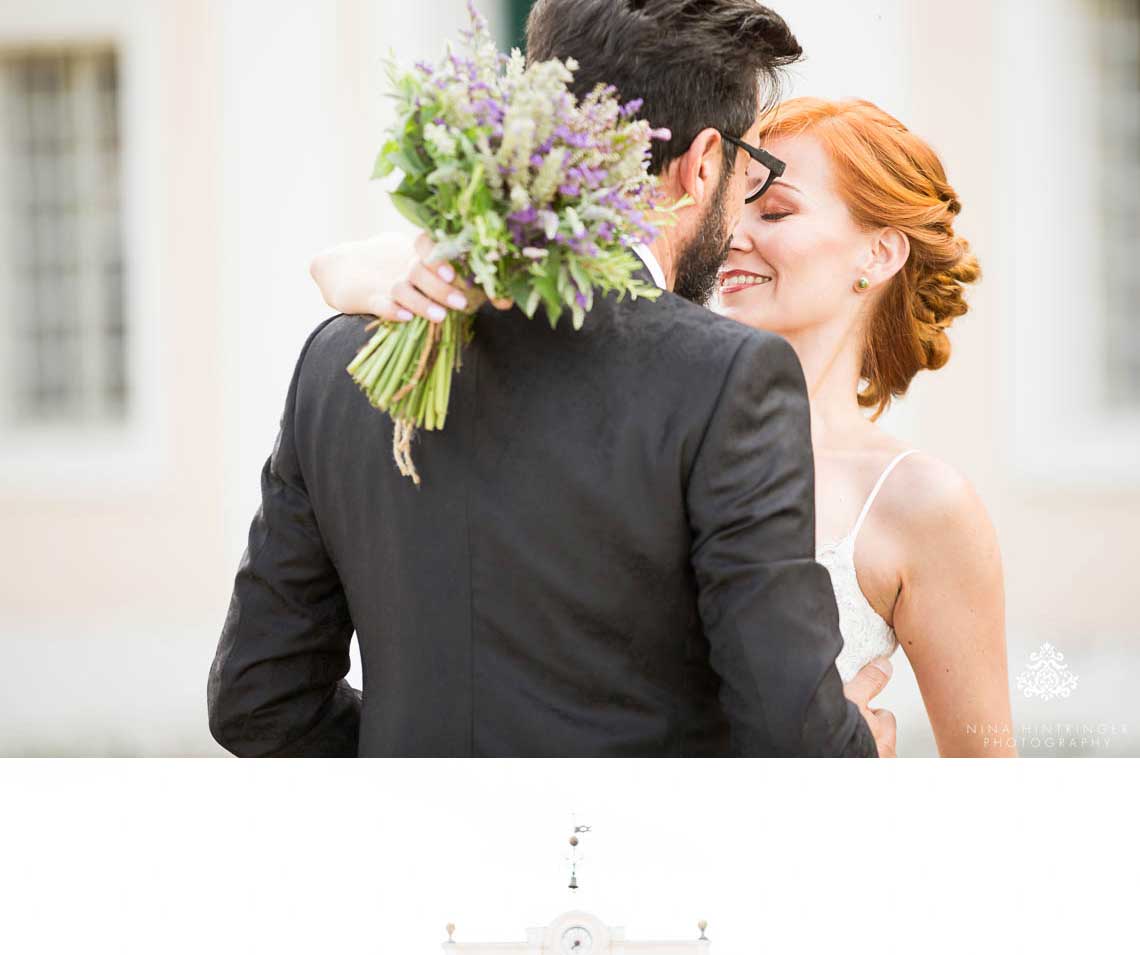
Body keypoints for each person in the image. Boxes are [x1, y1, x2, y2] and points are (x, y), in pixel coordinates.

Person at [208, 0, 889, 759]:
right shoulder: (730, 379)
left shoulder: (339, 362)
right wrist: (862, 751)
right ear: (701, 167)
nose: (742, 210)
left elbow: (257, 701)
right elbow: (791, 737)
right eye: (747, 171)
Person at [323, 94, 1014, 756]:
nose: (733, 234)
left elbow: (989, 793)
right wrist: (360, 270)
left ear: (879, 253)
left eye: (774, 212)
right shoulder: (637, 403)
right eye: (733, 204)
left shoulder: (923, 506)